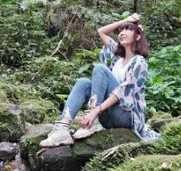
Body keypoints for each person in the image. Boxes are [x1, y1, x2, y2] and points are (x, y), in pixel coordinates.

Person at [39, 13, 160, 147]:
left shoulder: (139, 61)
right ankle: (62, 128)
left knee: (100, 69)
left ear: (137, 36)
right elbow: (101, 31)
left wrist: (95, 111)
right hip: (109, 116)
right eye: (121, 30)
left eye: (128, 29)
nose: (122, 33)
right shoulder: (117, 59)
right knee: (83, 83)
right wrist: (126, 20)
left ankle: (93, 119)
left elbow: (122, 91)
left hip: (127, 117)